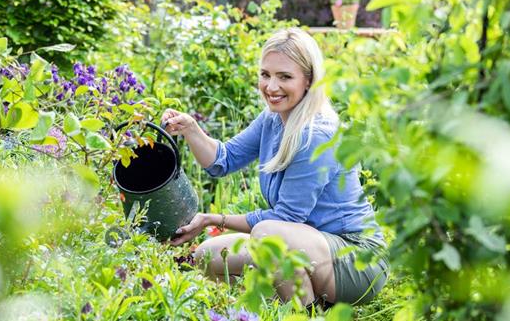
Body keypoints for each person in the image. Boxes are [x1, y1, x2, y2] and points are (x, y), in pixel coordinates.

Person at [161, 27, 388, 309]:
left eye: (285, 77)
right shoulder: (273, 118)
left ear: (309, 80)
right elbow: (223, 161)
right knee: (206, 257)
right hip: (303, 245)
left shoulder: (317, 134)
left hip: (354, 260)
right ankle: (292, 304)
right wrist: (191, 129)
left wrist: (212, 219)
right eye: (265, 74)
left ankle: (303, 314)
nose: (271, 86)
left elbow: (286, 219)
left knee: (270, 234)